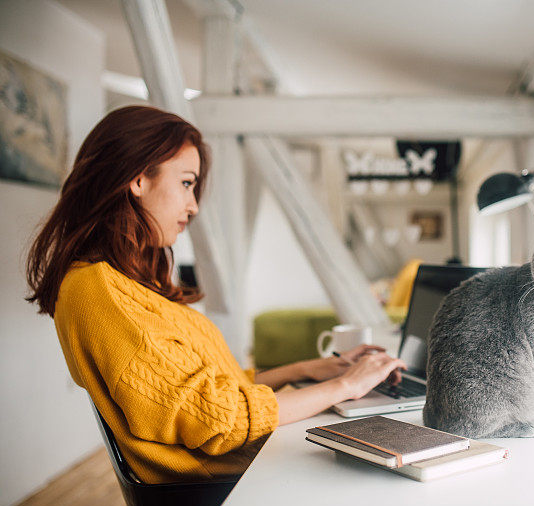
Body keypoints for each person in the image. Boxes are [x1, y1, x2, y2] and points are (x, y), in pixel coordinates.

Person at [26, 105, 407, 484]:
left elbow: (217, 386)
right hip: (233, 487)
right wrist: (346, 385)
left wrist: (311, 369)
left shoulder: (123, 284)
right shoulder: (98, 290)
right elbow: (216, 418)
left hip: (251, 466)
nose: (193, 207)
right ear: (139, 179)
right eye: (187, 183)